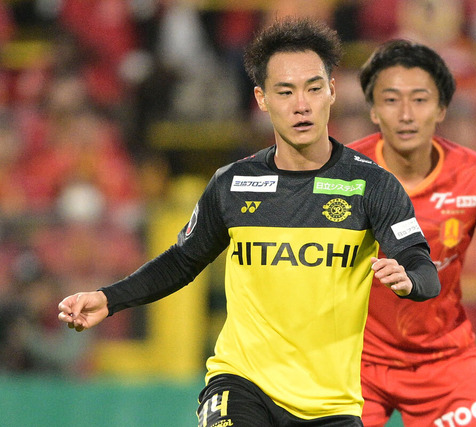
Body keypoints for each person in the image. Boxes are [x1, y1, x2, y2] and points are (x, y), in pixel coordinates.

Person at [57, 18, 441, 427]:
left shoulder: (372, 185)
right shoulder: (233, 184)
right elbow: (181, 261)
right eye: (285, 91)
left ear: (331, 90)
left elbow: (423, 268)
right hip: (241, 384)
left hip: (330, 406)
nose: (301, 105)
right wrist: (109, 299)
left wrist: (410, 280)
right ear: (261, 98)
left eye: (313, 88)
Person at [348, 40, 476, 427]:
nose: (406, 114)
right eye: (391, 100)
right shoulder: (342, 174)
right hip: (353, 362)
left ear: (441, 109)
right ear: (372, 110)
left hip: (446, 361)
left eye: (420, 100)